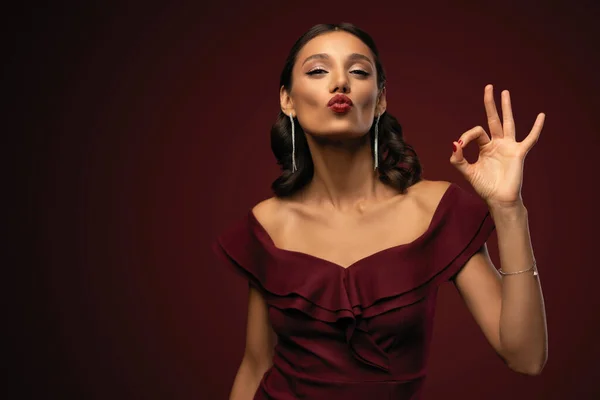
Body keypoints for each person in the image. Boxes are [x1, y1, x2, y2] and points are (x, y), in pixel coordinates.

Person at [212, 23, 548, 400]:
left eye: (358, 71)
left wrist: (509, 209)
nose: (340, 82)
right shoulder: (266, 224)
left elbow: (526, 357)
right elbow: (256, 365)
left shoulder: (436, 210)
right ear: (287, 99)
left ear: (381, 99)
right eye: (318, 70)